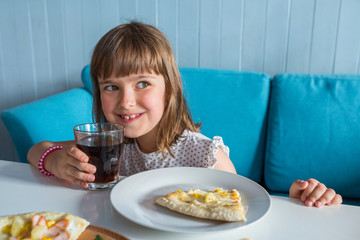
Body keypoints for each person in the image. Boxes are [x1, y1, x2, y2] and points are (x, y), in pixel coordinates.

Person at [27, 21, 342, 208]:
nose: (126, 102)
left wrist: (298, 200)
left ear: (170, 89)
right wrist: (55, 160)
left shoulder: (204, 153)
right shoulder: (109, 145)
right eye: (111, 87)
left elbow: (244, 206)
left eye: (142, 84)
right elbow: (36, 150)